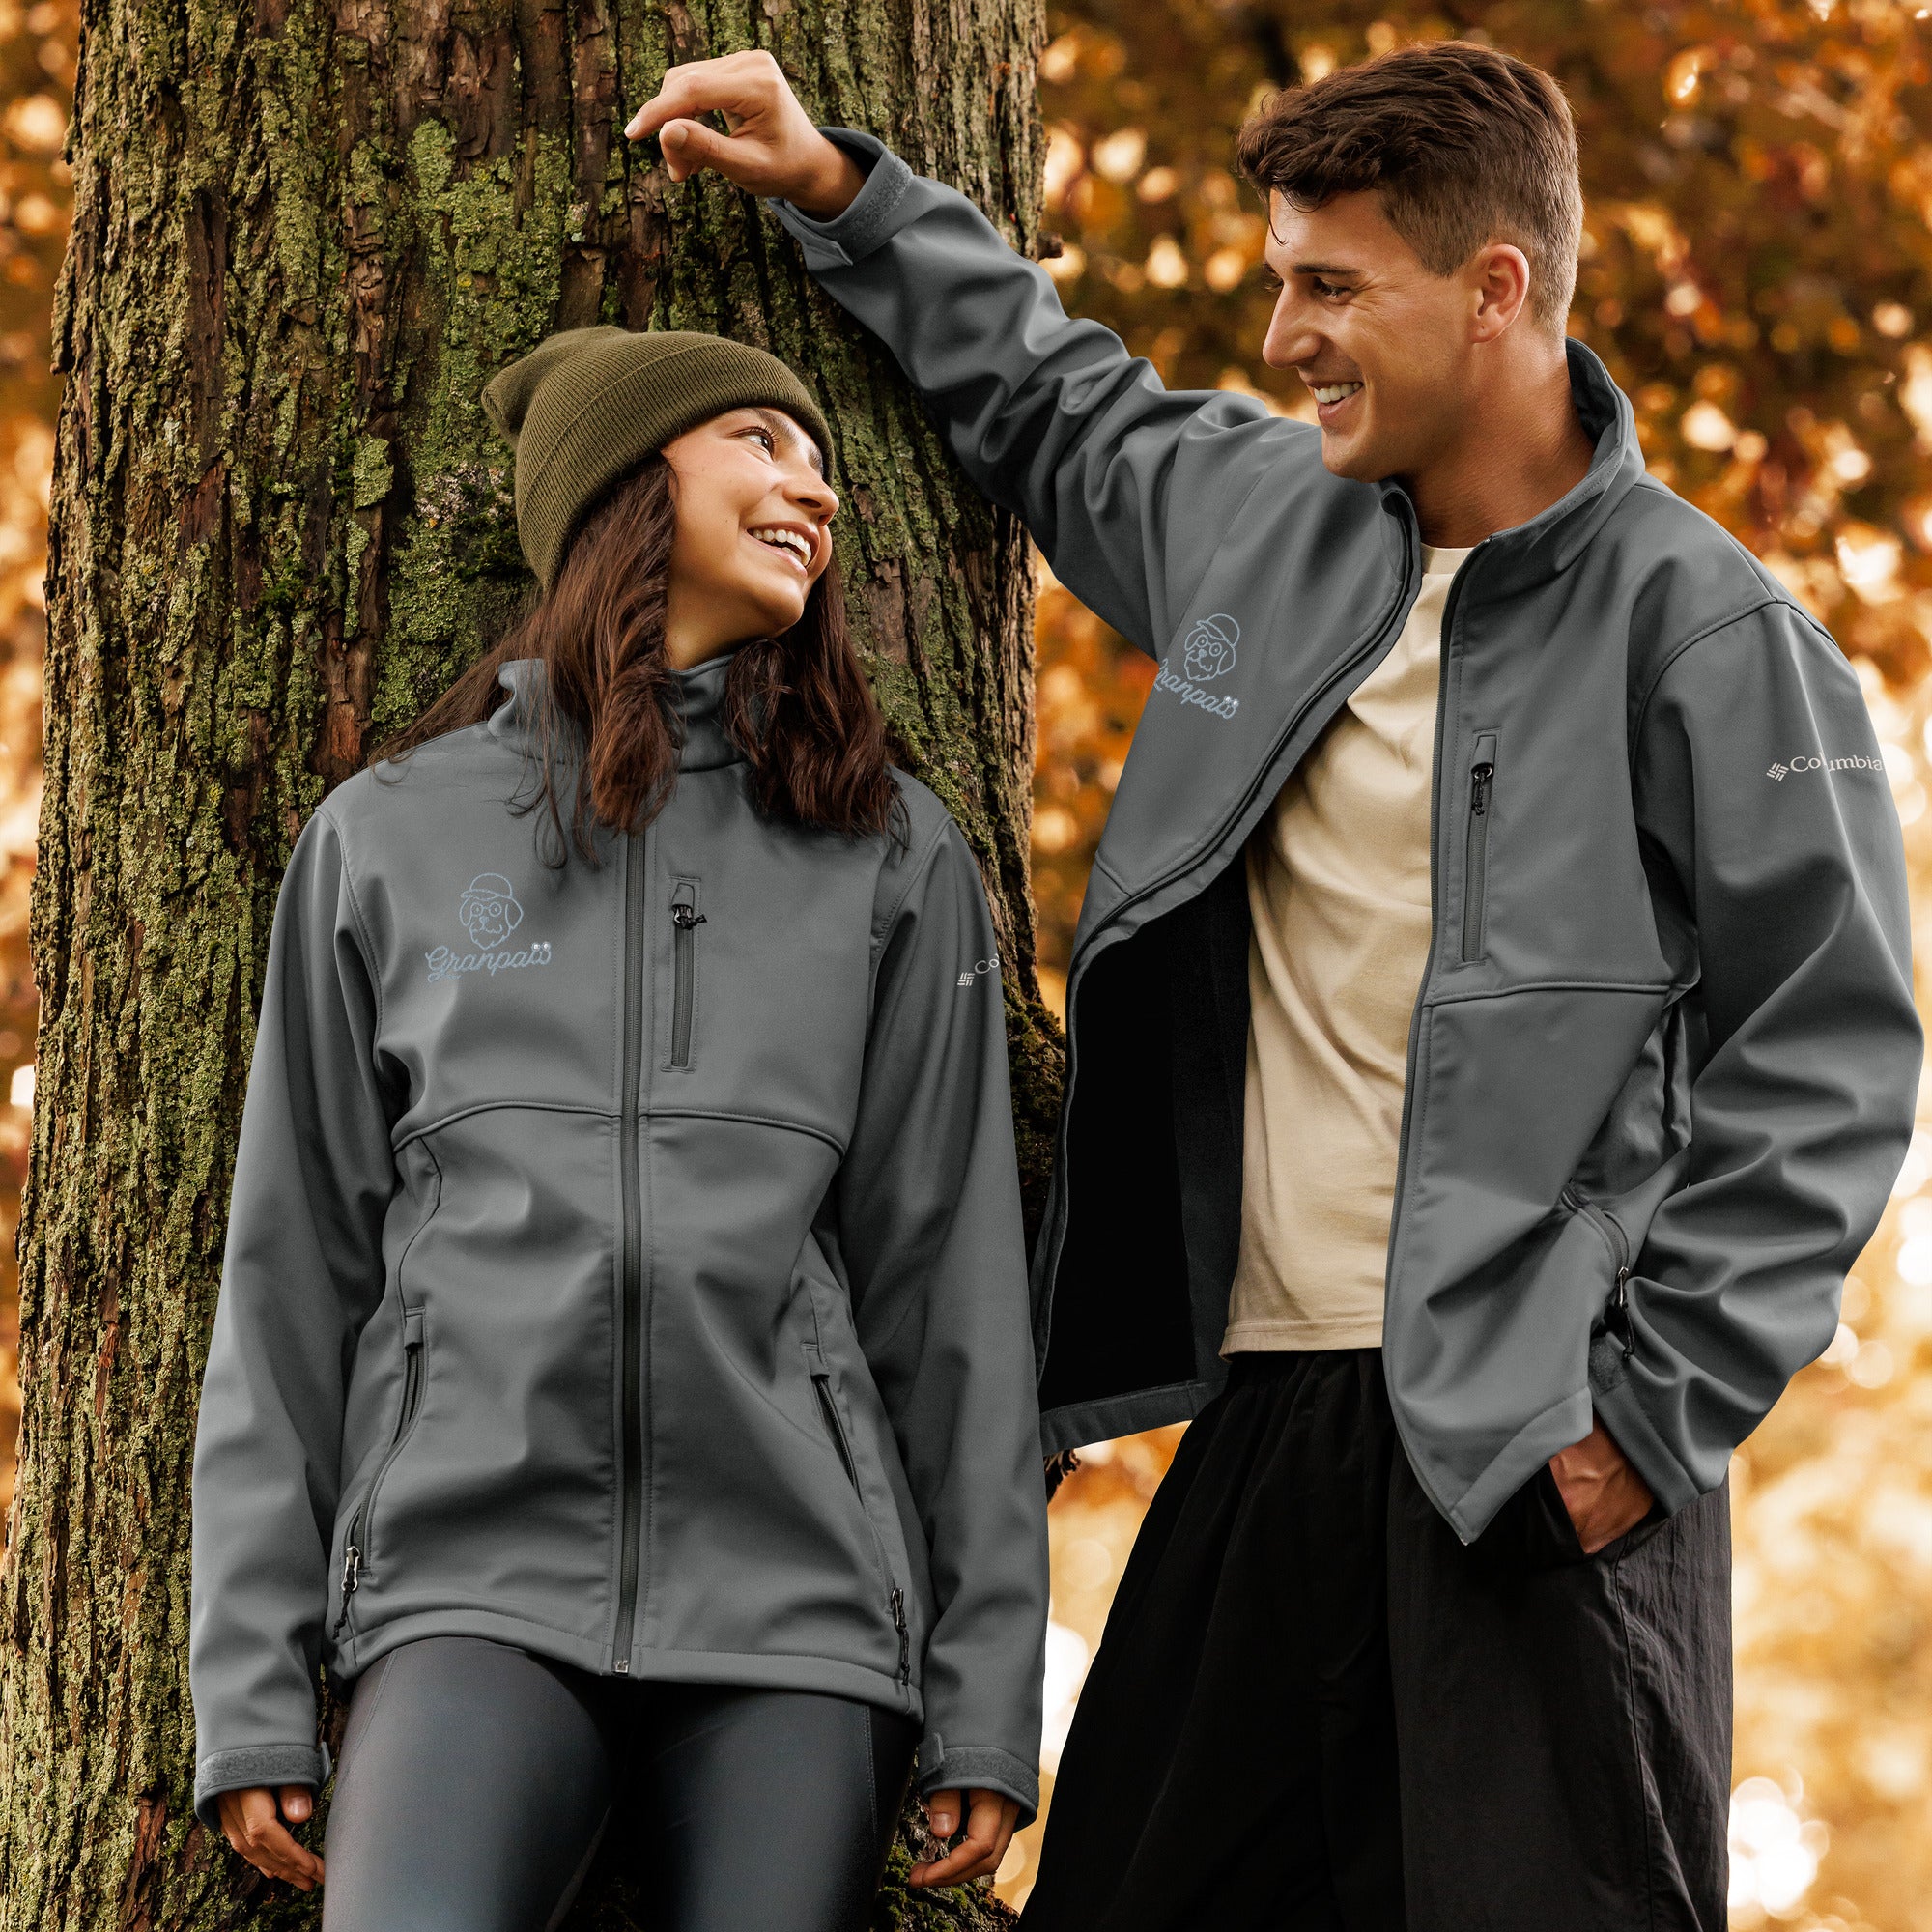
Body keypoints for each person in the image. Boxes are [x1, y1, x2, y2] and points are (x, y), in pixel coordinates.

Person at [627, 41, 1922, 1931]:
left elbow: (1826, 1046)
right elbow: (1048, 397)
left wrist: (1644, 1417)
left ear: (1494, 290)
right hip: (1261, 1423)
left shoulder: (1707, 633)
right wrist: (841, 190)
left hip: (1533, 1452)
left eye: (1330, 284)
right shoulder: (1258, 518)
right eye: (1274, 276)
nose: (1284, 328)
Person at [187, 325, 1048, 1931]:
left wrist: (986, 1689)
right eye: (760, 442)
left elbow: (954, 1291)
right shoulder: (391, 838)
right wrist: (249, 1683)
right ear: (625, 484)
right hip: (462, 1589)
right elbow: (288, 1277)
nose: (817, 490)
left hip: (795, 1615)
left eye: (824, 460)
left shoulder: (887, 857)